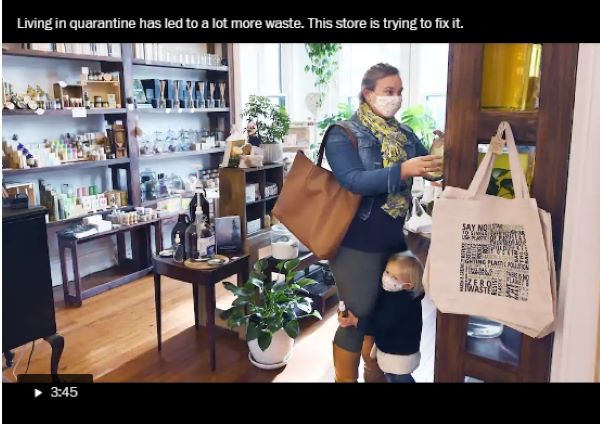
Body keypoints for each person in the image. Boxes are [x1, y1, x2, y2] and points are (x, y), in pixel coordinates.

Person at [324, 63, 442, 382]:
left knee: (383, 312)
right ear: (368, 93)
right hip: (356, 244)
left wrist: (442, 151)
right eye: (388, 91)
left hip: (393, 239)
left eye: (399, 91)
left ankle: (374, 374)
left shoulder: (403, 133)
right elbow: (353, 180)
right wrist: (402, 171)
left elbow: (431, 167)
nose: (396, 98)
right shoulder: (343, 133)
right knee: (355, 316)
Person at [338, 253, 424, 383]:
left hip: (397, 357)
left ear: (408, 285)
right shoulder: (405, 295)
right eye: (387, 272)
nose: (387, 278)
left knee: (398, 379)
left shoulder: (398, 305)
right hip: (403, 352)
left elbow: (379, 326)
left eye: (394, 277)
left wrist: (355, 321)